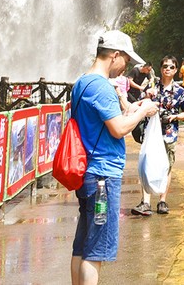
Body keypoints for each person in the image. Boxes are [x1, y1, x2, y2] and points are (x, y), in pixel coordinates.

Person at [70, 30, 157, 285]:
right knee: (96, 249)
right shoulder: (101, 86)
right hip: (103, 176)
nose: (125, 67)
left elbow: (101, 122)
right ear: (115, 55)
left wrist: (132, 109)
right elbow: (118, 129)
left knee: (82, 244)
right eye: (126, 60)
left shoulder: (81, 83)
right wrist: (143, 112)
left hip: (87, 172)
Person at [131, 55, 184, 217]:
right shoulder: (152, 87)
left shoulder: (180, 91)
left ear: (176, 70)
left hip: (169, 133)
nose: (167, 69)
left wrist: (174, 117)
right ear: (161, 69)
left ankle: (162, 200)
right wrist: (147, 98)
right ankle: (145, 202)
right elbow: (139, 105)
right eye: (165, 66)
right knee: (147, 164)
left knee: (167, 167)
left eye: (171, 67)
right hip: (151, 132)